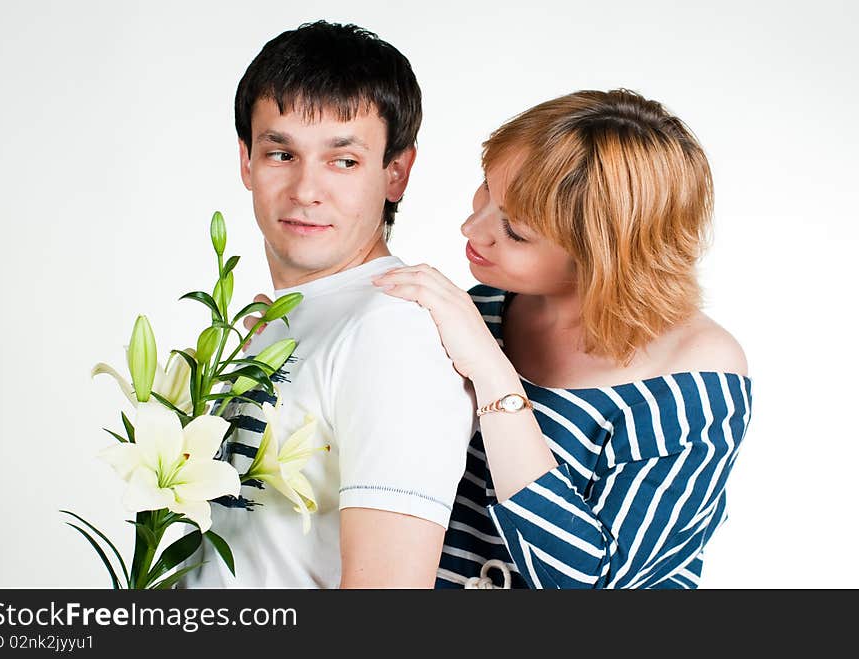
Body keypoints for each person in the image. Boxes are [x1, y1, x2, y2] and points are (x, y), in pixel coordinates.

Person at [248, 88, 754, 588]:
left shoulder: (696, 375)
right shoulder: (477, 310)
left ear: (605, 256)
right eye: (486, 191)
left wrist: (494, 377)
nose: (473, 227)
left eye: (515, 231)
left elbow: (591, 580)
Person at [181, 20, 475, 589]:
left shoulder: (393, 328)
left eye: (343, 161)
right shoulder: (280, 318)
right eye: (280, 153)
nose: (305, 190)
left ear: (397, 172)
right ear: (246, 161)